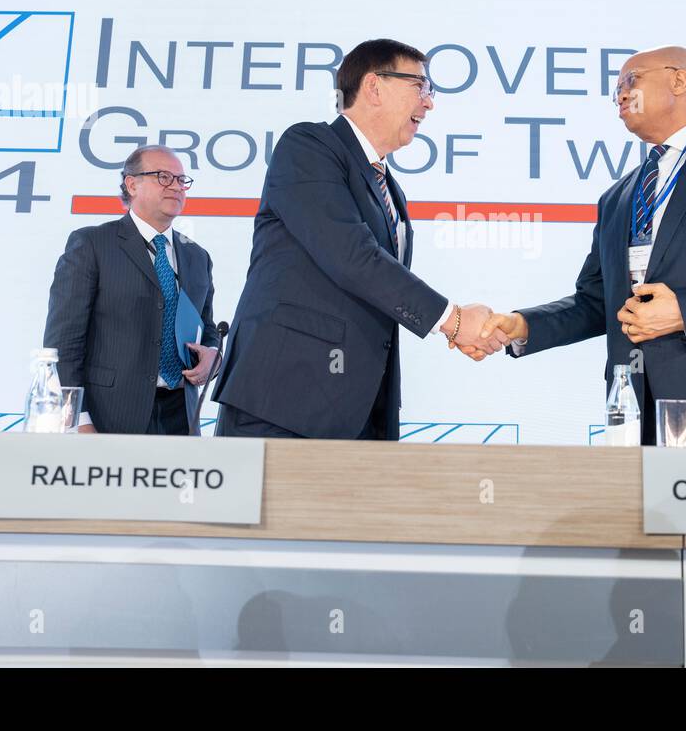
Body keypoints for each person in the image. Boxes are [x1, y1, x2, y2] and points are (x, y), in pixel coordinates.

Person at [480, 46, 686, 445]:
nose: (620, 95)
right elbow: (598, 302)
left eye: (631, 81)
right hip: (634, 411)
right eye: (615, 89)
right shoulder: (616, 197)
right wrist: (524, 325)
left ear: (679, 80)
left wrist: (685, 312)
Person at [214, 38, 501, 440]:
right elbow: (352, 256)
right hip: (284, 400)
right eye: (420, 87)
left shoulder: (390, 189)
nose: (429, 103)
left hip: (360, 411)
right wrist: (453, 321)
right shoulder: (309, 146)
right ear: (373, 87)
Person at [43, 146, 220, 435]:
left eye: (181, 180)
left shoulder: (198, 257)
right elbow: (63, 342)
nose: (176, 186)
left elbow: (208, 328)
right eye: (163, 177)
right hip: (108, 417)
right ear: (132, 184)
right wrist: (78, 419)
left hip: (181, 420)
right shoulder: (92, 244)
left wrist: (213, 355)